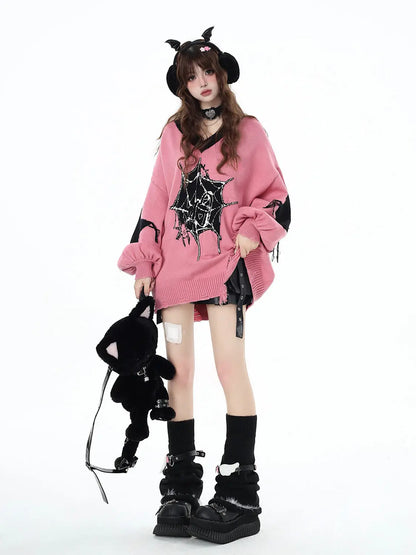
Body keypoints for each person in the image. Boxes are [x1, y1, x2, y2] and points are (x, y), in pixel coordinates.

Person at [117, 26, 291, 544]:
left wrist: (252, 230)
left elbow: (278, 196)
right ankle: (180, 486)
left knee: (229, 365)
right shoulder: (174, 133)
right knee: (178, 372)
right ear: (182, 85)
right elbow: (156, 199)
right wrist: (144, 262)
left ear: (222, 74)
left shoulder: (249, 131)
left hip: (224, 267)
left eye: (208, 72)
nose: (202, 83)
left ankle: (239, 491)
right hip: (174, 269)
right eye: (191, 76)